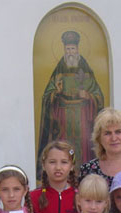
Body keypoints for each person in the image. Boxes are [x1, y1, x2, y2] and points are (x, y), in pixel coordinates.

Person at [37, 30, 105, 168]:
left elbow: (99, 97)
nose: (70, 52)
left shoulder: (86, 70)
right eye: (67, 49)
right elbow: (47, 96)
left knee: (84, 153)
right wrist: (56, 93)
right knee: (63, 151)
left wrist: (88, 96)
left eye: (73, 49)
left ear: (77, 49)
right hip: (63, 122)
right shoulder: (59, 71)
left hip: (83, 121)